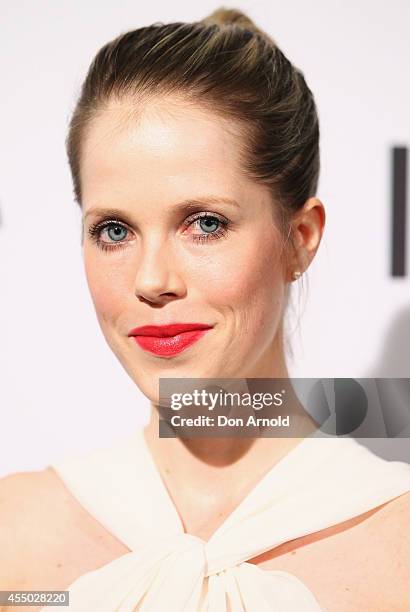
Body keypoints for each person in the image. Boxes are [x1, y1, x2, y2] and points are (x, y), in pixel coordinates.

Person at [1, 7, 409, 611]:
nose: (151, 280)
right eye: (114, 230)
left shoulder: (396, 548)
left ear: (299, 238)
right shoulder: (16, 539)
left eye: (206, 223)